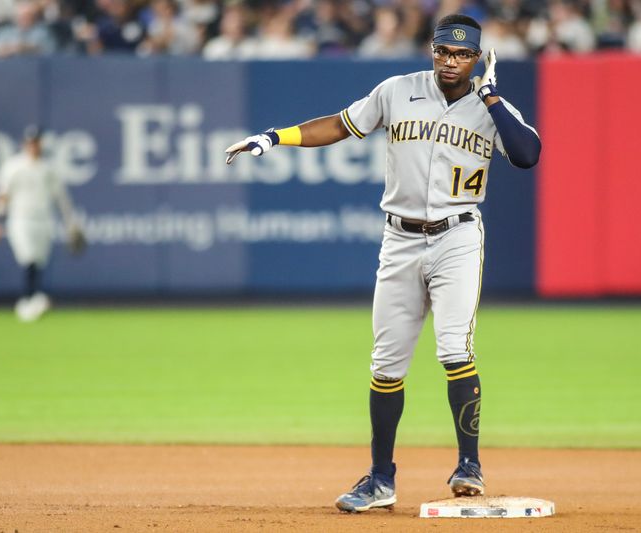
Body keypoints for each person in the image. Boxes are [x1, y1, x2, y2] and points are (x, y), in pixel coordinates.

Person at [225, 13, 541, 512]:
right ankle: (380, 479)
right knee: (386, 364)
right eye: (443, 51)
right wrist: (273, 137)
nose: (450, 60)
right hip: (399, 239)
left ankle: (469, 466)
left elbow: (526, 155)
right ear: (431, 50)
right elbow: (339, 125)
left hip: (457, 237)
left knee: (454, 348)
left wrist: (492, 98)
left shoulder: (490, 106)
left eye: (462, 53)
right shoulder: (398, 90)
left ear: (476, 58)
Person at [0, 126, 85, 322]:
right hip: (20, 219)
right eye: (31, 142)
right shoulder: (13, 166)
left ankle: (31, 300)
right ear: (25, 144)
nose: (34, 145)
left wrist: (71, 223)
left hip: (43, 220)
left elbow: (62, 199)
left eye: (37, 142)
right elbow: (2, 196)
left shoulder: (48, 168)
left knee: (39, 261)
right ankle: (28, 300)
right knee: (29, 258)